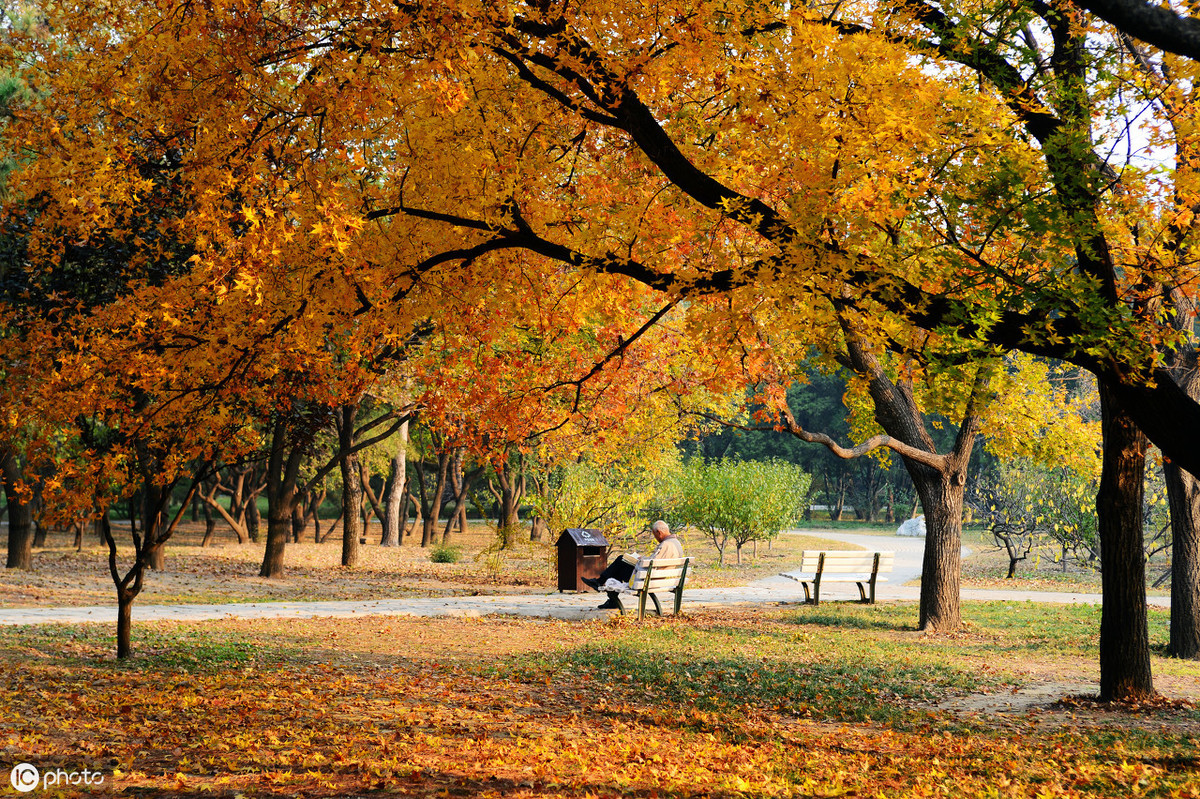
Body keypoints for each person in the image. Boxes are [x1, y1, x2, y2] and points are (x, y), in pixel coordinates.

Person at [583, 520, 683, 609]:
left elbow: (652, 564)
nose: (655, 537)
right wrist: (643, 559)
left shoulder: (665, 545)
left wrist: (639, 560)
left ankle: (600, 583)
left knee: (620, 560)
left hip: (648, 580)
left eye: (654, 535)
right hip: (658, 578)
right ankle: (610, 597)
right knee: (620, 565)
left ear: (659, 532)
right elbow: (656, 561)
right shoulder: (676, 543)